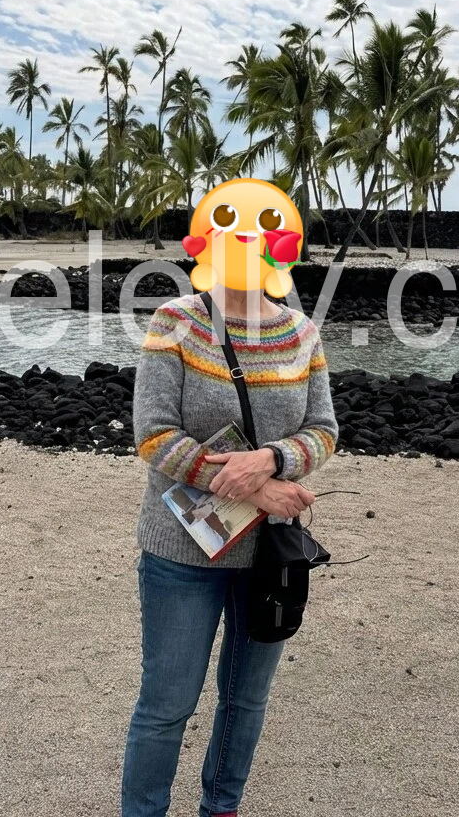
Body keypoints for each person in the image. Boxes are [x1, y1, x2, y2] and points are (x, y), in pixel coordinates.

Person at [122, 282, 338, 817]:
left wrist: (272, 459)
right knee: (167, 706)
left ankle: (221, 807)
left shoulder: (300, 333)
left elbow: (323, 431)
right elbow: (154, 435)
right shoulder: (177, 322)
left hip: (269, 557)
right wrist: (256, 490)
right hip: (182, 555)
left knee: (246, 700)